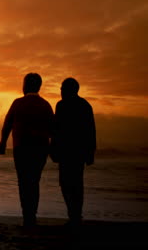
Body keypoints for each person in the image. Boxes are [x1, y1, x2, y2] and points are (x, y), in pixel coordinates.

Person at [0, 73, 54, 227]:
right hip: (41, 149)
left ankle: (27, 215)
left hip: (21, 148)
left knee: (23, 182)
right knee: (34, 181)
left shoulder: (18, 103)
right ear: (39, 86)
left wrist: (3, 144)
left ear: (26, 85)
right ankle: (32, 214)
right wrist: (53, 149)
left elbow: (7, 124)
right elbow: (53, 129)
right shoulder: (46, 105)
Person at [51, 78, 96, 226]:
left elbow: (56, 130)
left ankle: (74, 214)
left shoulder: (62, 105)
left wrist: (53, 149)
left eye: (63, 88)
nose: (61, 91)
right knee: (75, 183)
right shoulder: (84, 105)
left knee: (67, 183)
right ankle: (75, 214)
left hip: (68, 151)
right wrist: (90, 153)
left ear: (70, 89)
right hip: (76, 152)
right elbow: (91, 131)